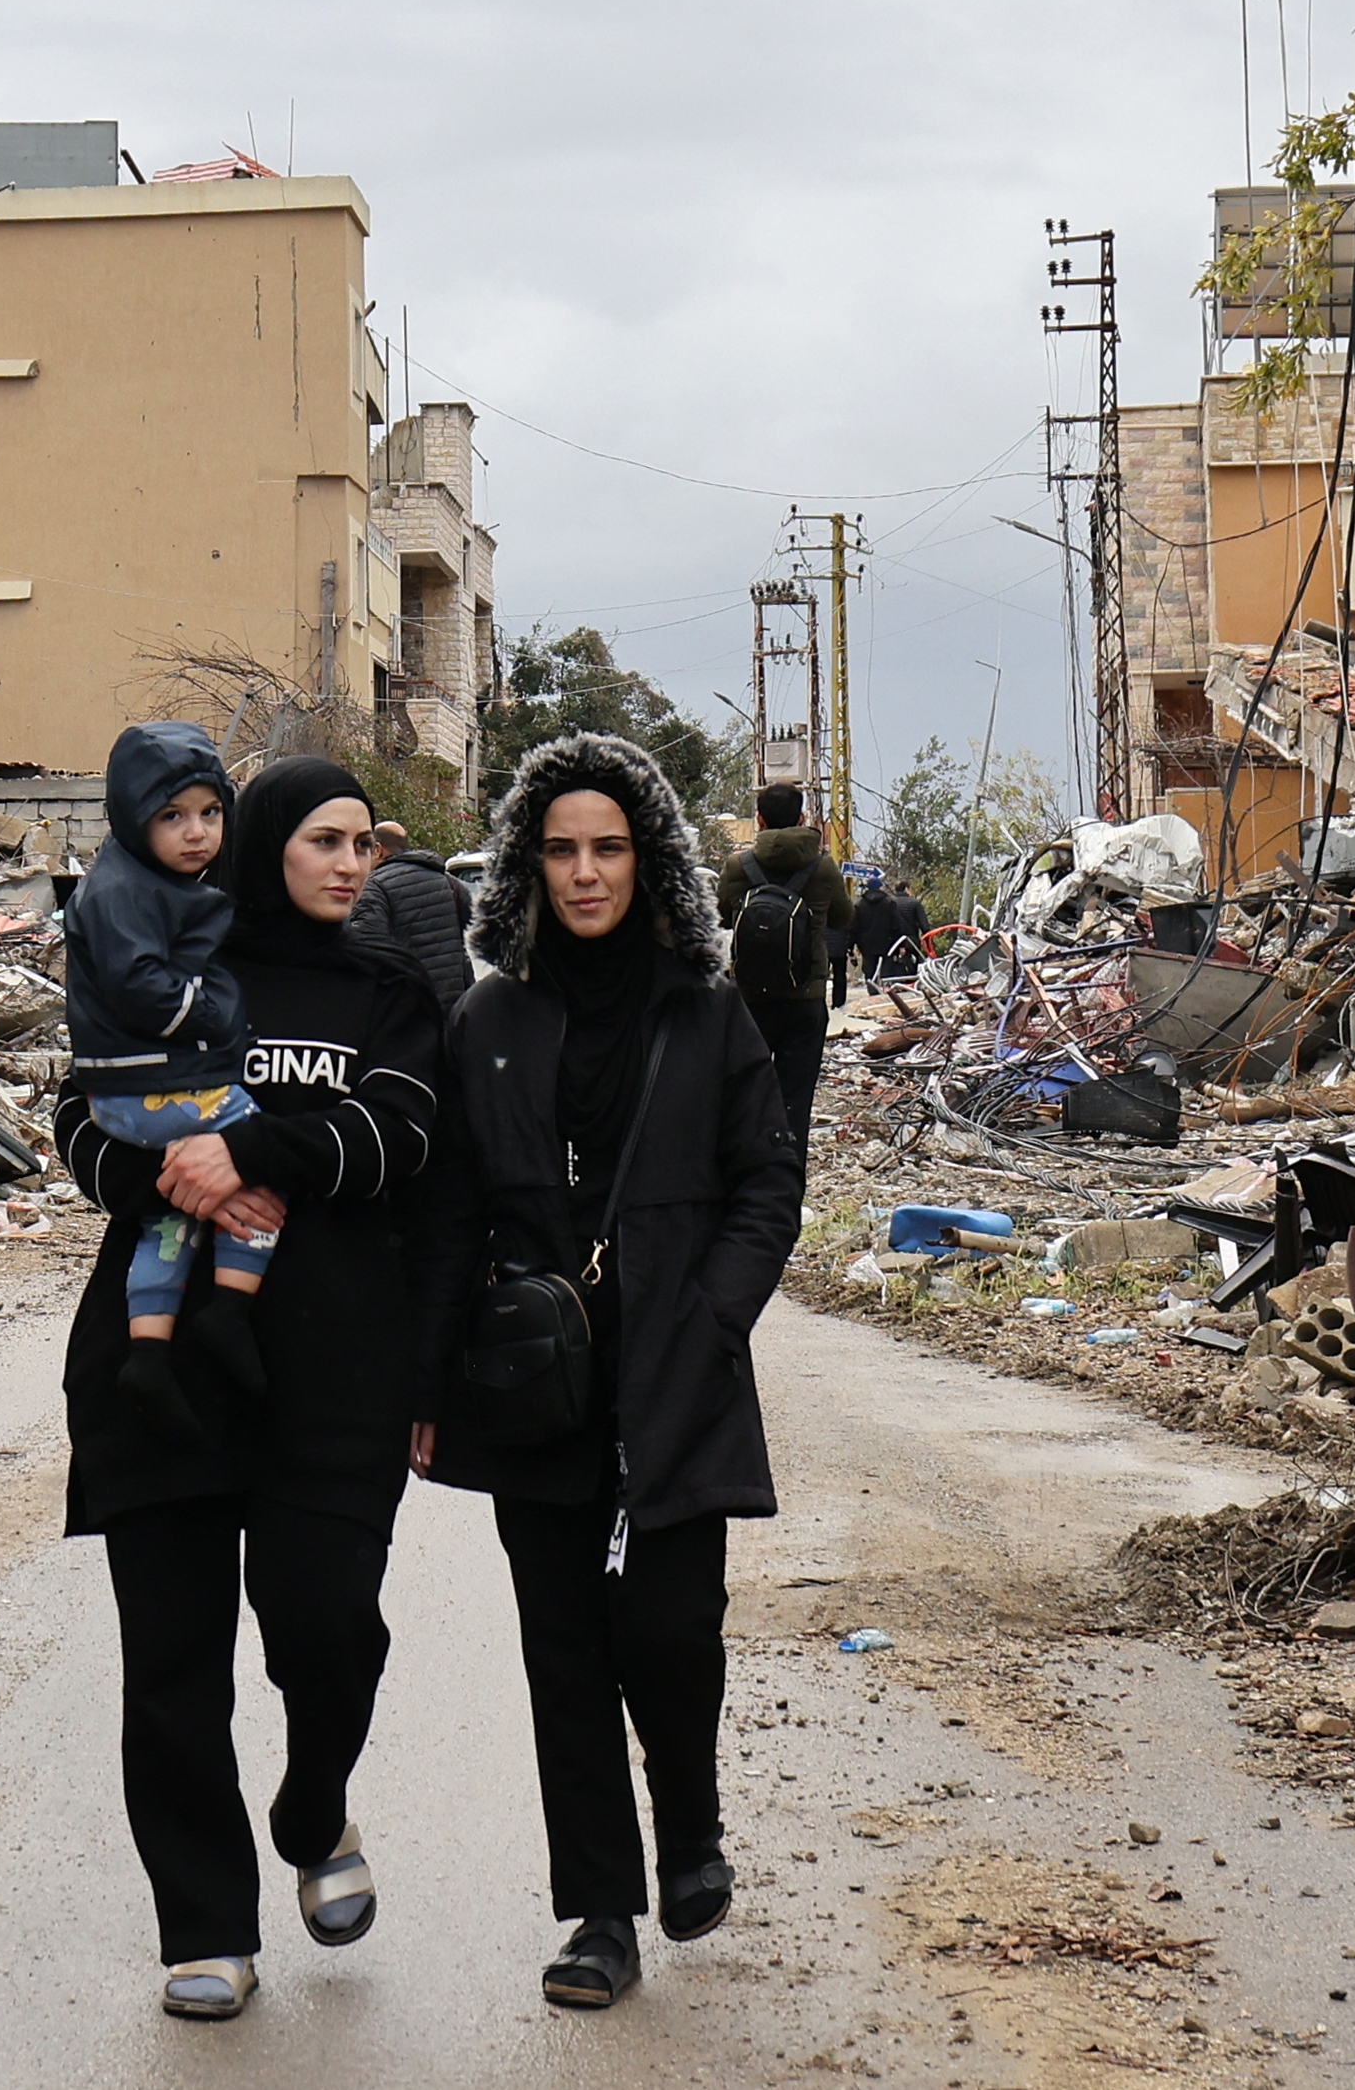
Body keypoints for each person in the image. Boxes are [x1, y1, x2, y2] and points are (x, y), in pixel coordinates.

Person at [416, 731, 803, 2013]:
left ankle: (690, 1828)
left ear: (650, 861)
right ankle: (599, 1914)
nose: (586, 873)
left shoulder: (705, 1008)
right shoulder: (488, 1020)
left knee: (673, 1631)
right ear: (528, 864)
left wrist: (716, 1311)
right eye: (562, 850)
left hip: (678, 1373)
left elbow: (768, 1179)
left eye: (610, 848)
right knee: (566, 1654)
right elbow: (451, 1213)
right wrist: (431, 1382)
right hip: (536, 1384)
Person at [56, 758, 444, 2024]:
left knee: (329, 1629)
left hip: (334, 1375)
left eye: (365, 844)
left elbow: (402, 1138)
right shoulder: (169, 963)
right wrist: (166, 1176)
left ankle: (316, 1807)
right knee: (172, 1665)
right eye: (326, 840)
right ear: (264, 843)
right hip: (162, 1369)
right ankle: (207, 1926)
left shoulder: (389, 992)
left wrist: (252, 1148)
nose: (351, 864)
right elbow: (81, 1117)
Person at [61, 722, 277, 1423]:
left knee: (171, 1215)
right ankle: (232, 1311)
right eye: (172, 816)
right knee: (261, 1144)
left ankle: (148, 1353)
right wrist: (212, 1012)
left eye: (211, 813)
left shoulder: (156, 881)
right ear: (134, 818)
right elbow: (140, 985)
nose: (197, 833)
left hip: (134, 1087)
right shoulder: (122, 889)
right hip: (147, 1086)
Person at [714, 781, 853, 1161]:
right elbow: (843, 918)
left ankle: (745, 1172)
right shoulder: (822, 867)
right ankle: (787, 1177)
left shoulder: (738, 866)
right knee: (795, 1099)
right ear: (802, 818)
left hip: (749, 999)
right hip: (804, 998)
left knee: (744, 1093)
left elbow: (721, 916)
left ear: (759, 820)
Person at [346, 815, 475, 1011]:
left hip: (407, 1009)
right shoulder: (450, 883)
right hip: (454, 1006)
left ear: (378, 849)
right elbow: (472, 930)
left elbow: (367, 952)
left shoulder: (374, 887)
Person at [859, 875, 931, 982]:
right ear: (906, 889)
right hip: (910, 940)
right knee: (911, 965)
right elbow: (924, 926)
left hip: (889, 941)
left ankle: (884, 985)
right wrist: (928, 943)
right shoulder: (914, 903)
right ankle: (909, 982)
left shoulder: (888, 902)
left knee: (888, 966)